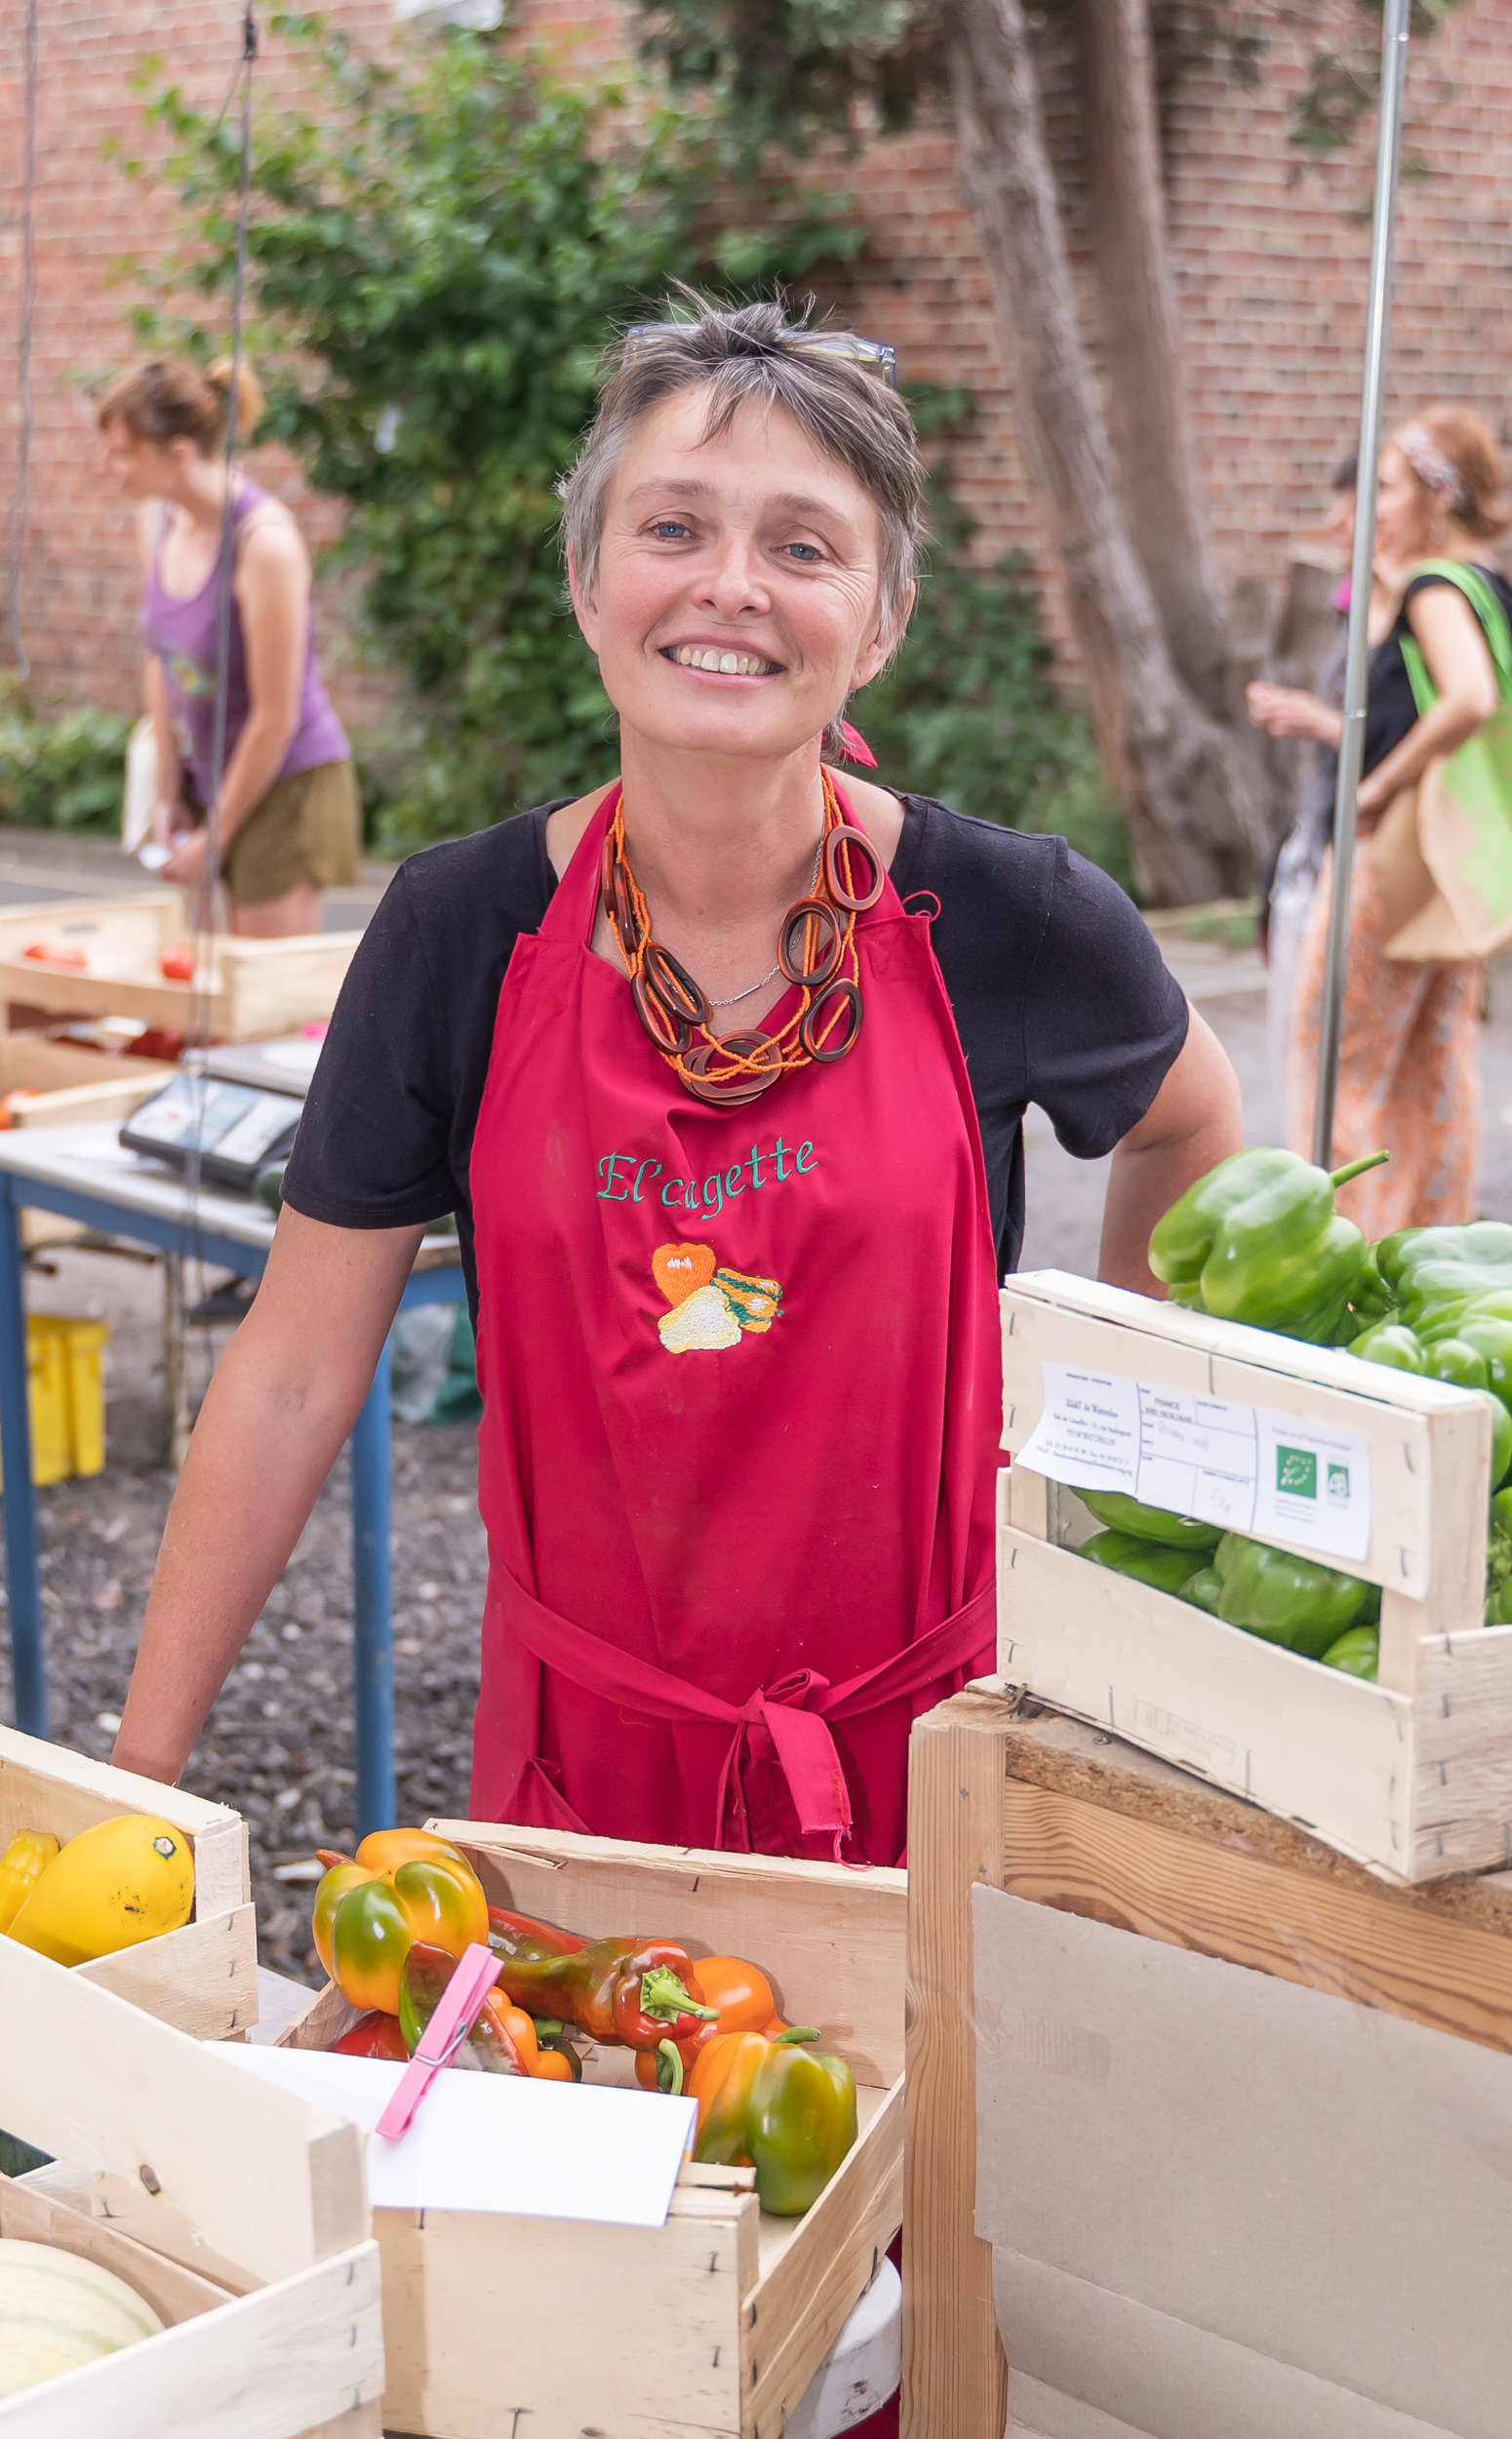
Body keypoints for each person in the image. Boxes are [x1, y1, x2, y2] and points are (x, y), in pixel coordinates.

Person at [111, 298, 1242, 1874]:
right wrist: (140, 1784)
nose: (730, 586)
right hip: (578, 1785)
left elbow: (1190, 1116)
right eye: (673, 526)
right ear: (589, 584)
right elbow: (294, 1373)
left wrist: (1114, 1446)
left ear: (881, 614)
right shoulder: (456, 935)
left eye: (802, 544)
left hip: (939, 1776)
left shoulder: (1011, 919)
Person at [1283, 407, 1512, 1238]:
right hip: (1462, 857)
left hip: (1398, 857)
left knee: (1332, 1059)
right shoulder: (1490, 587)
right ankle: (1432, 1239)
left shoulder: (1431, 587)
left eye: (1384, 488)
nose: (1372, 506)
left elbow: (1468, 700)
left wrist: (1372, 788)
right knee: (1437, 1059)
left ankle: (1330, 1244)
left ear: (1434, 495)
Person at [99, 357, 362, 938]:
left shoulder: (265, 545)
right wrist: (166, 791)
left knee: (263, 1003)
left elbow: (276, 718)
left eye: (122, 452)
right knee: (203, 992)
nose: (107, 468)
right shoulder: (162, 521)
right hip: (208, 778)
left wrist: (217, 833)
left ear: (178, 453)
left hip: (285, 780)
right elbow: (160, 657)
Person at [1248, 452, 1399, 1136]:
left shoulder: (1417, 610)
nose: (1335, 522)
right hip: (1315, 836)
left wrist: (1318, 721)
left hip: (1371, 853)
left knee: (1333, 1051)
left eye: (1357, 504)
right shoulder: (1353, 603)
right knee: (1295, 1043)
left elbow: (1411, 738)